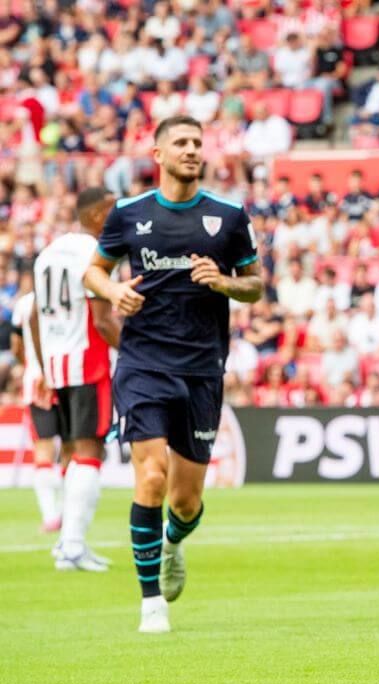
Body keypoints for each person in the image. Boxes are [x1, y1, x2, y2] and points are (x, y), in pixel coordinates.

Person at [85, 116, 265, 633]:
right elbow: (94, 271)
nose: (191, 150)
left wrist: (224, 283)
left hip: (202, 369)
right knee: (151, 477)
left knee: (185, 502)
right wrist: (113, 291)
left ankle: (173, 541)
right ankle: (151, 605)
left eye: (197, 143)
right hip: (143, 363)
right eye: (181, 143)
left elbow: (255, 285)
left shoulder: (228, 216)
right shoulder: (128, 213)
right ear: (158, 154)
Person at [30, 188, 123, 572]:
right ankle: (72, 546)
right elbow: (102, 320)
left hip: (56, 363)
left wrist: (43, 367)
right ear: (99, 215)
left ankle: (69, 542)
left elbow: (34, 317)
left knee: (72, 453)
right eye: (114, 210)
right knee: (89, 452)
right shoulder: (95, 253)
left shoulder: (48, 253)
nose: (120, 216)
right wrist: (138, 354)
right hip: (88, 361)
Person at [11, 291, 67, 536]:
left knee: (43, 451)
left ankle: (50, 516)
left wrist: (30, 364)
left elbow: (16, 345)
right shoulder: (69, 296)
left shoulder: (24, 303)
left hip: (36, 383)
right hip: (69, 379)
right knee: (71, 450)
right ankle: (67, 513)